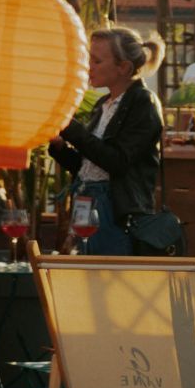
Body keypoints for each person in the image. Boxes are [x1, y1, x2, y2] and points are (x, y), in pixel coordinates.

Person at [49, 27, 165, 255]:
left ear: (124, 67)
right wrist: (60, 147)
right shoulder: (103, 104)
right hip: (86, 199)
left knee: (106, 271)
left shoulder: (143, 102)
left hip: (114, 208)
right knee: (86, 269)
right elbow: (88, 166)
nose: (89, 66)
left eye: (97, 61)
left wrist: (70, 127)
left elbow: (117, 161)